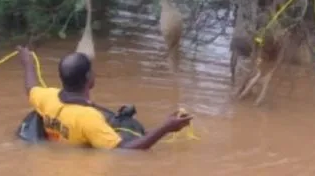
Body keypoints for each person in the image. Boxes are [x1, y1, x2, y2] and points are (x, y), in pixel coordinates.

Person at [17, 46, 192, 150]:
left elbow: (30, 87)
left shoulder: (48, 97)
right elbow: (127, 150)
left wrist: (27, 63)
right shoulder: (89, 118)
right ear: (89, 78)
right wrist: (166, 128)